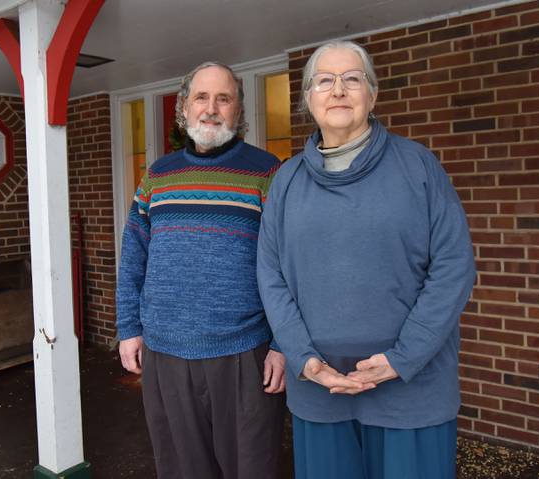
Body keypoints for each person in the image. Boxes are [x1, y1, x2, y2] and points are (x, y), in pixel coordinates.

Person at [257, 41, 475, 479]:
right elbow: (271, 273)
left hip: (411, 392)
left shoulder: (418, 166)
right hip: (320, 392)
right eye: (324, 80)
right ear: (308, 99)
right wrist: (305, 360)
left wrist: (402, 359)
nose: (338, 90)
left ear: (371, 95)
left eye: (352, 78)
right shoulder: (286, 181)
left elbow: (454, 266)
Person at [116, 61, 286, 479]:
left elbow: (290, 263)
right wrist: (128, 328)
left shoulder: (267, 172)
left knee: (252, 469)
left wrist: (283, 344)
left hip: (245, 353)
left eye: (224, 98)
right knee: (180, 469)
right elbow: (133, 255)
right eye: (201, 98)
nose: (211, 108)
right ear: (184, 108)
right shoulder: (157, 176)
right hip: (165, 351)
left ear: (238, 109)